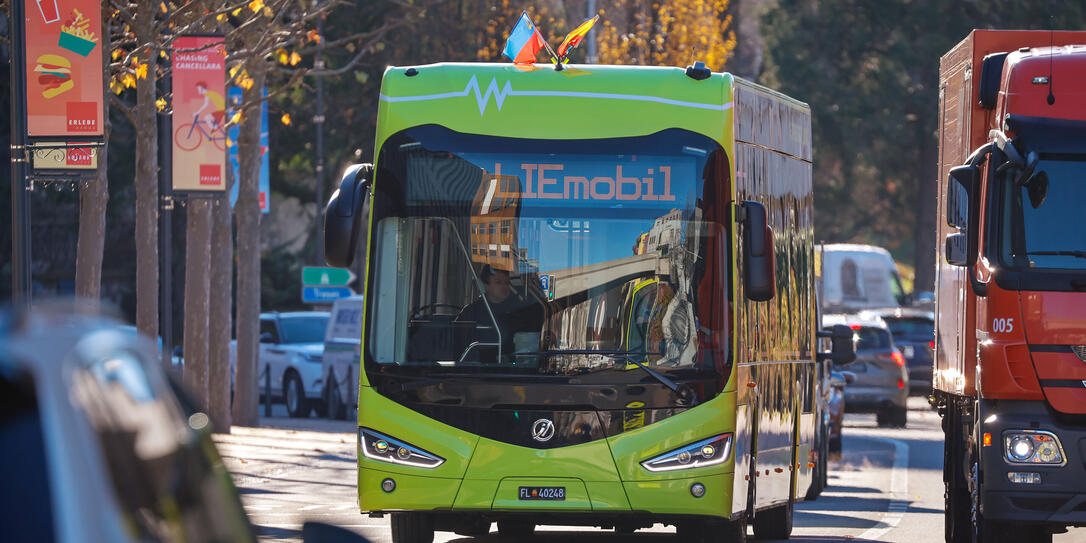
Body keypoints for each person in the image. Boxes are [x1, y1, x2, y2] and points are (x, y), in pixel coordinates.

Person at [456, 265, 543, 362]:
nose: (504, 286)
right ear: (485, 286)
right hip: (478, 370)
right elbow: (459, 346)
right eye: (498, 282)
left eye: (507, 282)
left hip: (514, 370)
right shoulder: (471, 312)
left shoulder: (520, 311)